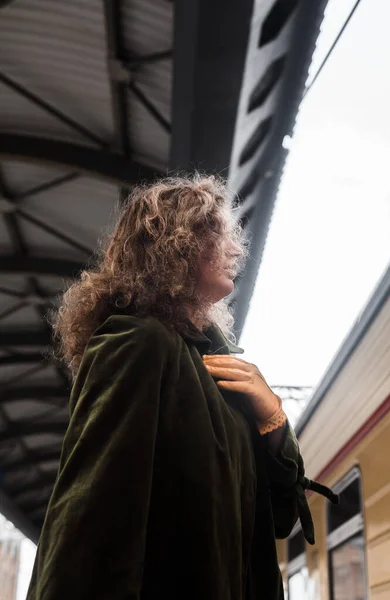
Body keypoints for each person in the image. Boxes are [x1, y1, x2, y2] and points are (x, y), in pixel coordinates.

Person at [26, 174, 337, 600]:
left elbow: (279, 520)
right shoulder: (138, 343)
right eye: (221, 234)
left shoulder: (220, 372)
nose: (237, 249)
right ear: (178, 243)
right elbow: (90, 516)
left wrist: (273, 419)